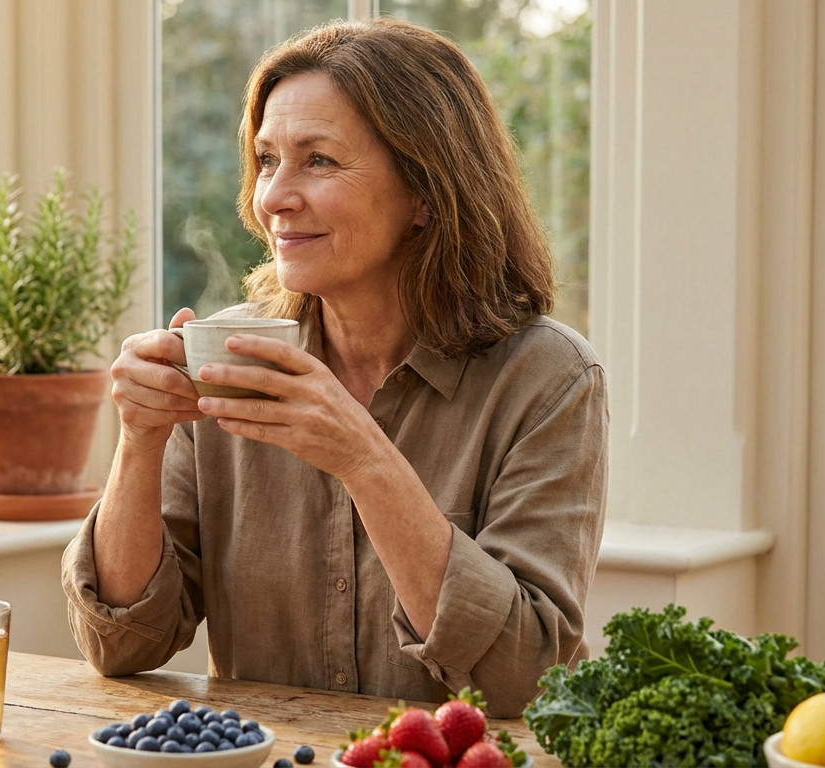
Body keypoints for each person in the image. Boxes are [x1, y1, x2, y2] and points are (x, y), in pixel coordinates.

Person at [62, 16, 607, 719]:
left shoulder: (549, 381)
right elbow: (123, 643)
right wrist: (138, 439)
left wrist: (365, 460)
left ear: (424, 192)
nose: (275, 197)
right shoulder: (226, 361)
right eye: (266, 160)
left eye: (318, 160)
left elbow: (524, 678)